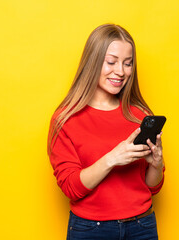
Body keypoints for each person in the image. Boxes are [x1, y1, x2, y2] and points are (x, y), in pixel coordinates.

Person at [47, 24, 165, 240]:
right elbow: (71, 188)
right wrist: (112, 158)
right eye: (111, 62)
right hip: (91, 230)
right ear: (92, 62)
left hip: (142, 226)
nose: (120, 72)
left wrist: (157, 165)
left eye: (127, 64)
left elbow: (153, 187)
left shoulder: (140, 115)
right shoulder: (65, 119)